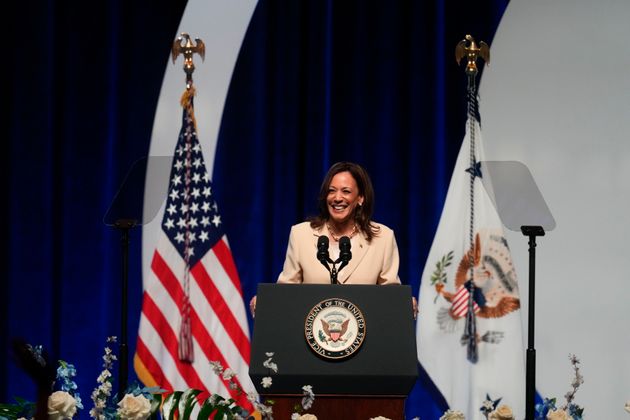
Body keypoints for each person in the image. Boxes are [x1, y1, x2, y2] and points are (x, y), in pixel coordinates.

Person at [250, 162, 418, 317]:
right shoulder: (301, 234)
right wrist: (266, 302)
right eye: (331, 191)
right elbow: (287, 290)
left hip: (365, 338)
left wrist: (403, 304)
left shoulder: (382, 237)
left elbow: (389, 293)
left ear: (360, 198)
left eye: (346, 191)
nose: (337, 198)